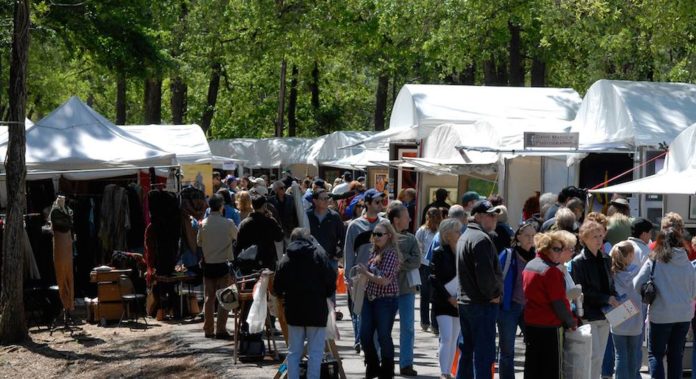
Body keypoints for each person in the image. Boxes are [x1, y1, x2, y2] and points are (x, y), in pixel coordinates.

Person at [634, 218, 696, 379]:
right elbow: (694, 292)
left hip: (660, 315)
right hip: (683, 316)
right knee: (676, 356)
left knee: (655, 354)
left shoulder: (654, 261)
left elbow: (637, 284)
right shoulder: (687, 263)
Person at [274, 228, 336, 379]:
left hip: (294, 311)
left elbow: (277, 287)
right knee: (315, 352)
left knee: (293, 352)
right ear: (308, 240)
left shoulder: (286, 259)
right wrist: (325, 295)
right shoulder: (319, 255)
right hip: (316, 310)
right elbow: (331, 280)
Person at [455, 200, 503, 379]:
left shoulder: (466, 235)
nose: (494, 219)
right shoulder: (480, 239)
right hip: (480, 304)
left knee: (468, 352)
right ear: (479, 217)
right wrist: (494, 294)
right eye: (491, 215)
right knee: (483, 356)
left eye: (495, 215)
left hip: (467, 302)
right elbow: (484, 275)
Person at [522, 231, 577, 378]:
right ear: (545, 248)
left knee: (532, 366)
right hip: (549, 326)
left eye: (561, 248)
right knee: (552, 368)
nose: (560, 252)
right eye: (556, 249)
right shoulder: (551, 271)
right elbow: (558, 302)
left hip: (531, 323)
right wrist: (570, 321)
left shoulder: (530, 265)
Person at [569, 220, 619, 379]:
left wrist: (616, 298)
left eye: (600, 236)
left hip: (604, 313)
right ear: (584, 239)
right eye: (594, 237)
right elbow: (581, 290)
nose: (598, 240)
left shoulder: (606, 258)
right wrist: (607, 298)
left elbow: (610, 283)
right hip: (588, 313)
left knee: (599, 356)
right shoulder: (578, 261)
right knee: (593, 355)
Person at [357, 219, 401, 379]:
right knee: (364, 335)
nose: (376, 237)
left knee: (383, 336)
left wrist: (365, 273)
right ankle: (373, 365)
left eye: (379, 234)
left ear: (389, 236)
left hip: (386, 300)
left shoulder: (391, 253)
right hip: (370, 298)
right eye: (374, 234)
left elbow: (384, 280)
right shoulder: (374, 251)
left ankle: (387, 370)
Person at [344, 188, 385, 353]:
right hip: (359, 277)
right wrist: (348, 278)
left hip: (379, 277)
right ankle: (360, 340)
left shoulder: (384, 224)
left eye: (382, 201)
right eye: (377, 202)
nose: (381, 205)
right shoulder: (354, 226)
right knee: (359, 311)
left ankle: (371, 345)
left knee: (376, 314)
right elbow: (348, 252)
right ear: (367, 204)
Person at [496, 220, 536, 379]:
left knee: (534, 346)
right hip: (509, 307)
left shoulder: (537, 256)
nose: (530, 239)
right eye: (527, 235)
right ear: (518, 237)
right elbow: (497, 277)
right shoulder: (508, 255)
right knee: (507, 350)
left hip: (531, 308)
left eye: (533, 236)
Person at [197, 194, 238, 339]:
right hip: (223, 264)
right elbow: (236, 236)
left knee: (209, 298)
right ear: (221, 206)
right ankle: (221, 329)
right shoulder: (228, 223)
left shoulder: (203, 224)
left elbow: (199, 242)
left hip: (208, 264)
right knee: (225, 297)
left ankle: (208, 329)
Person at [387, 202, 421, 376]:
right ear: (396, 220)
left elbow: (417, 260)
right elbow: (382, 258)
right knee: (384, 328)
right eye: (406, 216)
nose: (409, 219)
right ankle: (383, 361)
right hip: (386, 289)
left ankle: (406, 363)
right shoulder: (383, 235)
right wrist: (398, 260)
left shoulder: (411, 238)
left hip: (406, 289)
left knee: (407, 328)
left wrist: (398, 260)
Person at [430, 218, 462, 379]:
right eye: (456, 231)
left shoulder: (462, 251)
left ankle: (449, 371)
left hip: (458, 301)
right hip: (443, 301)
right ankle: (444, 372)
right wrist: (449, 298)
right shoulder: (439, 252)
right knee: (447, 336)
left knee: (454, 338)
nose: (459, 234)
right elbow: (434, 279)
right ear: (447, 234)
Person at [608, 241, 642, 379]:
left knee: (620, 354)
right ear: (629, 255)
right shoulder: (638, 272)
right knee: (633, 353)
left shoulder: (611, 274)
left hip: (617, 316)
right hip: (635, 318)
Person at [306, 189, 345, 304]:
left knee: (330, 292)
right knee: (313, 290)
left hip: (330, 259)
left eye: (327, 198)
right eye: (323, 198)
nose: (326, 201)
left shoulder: (334, 217)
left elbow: (342, 237)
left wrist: (338, 254)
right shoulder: (307, 216)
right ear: (315, 201)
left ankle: (330, 318)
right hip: (312, 260)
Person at [234, 194, 284, 270]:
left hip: (249, 262)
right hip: (267, 261)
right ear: (264, 206)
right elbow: (279, 237)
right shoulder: (269, 221)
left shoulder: (244, 223)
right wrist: (272, 219)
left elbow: (238, 244)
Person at [415, 207, 442, 333]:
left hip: (435, 265)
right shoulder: (422, 231)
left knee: (434, 295)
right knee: (425, 294)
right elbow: (417, 247)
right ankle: (425, 321)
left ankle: (434, 323)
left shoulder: (441, 231)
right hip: (425, 265)